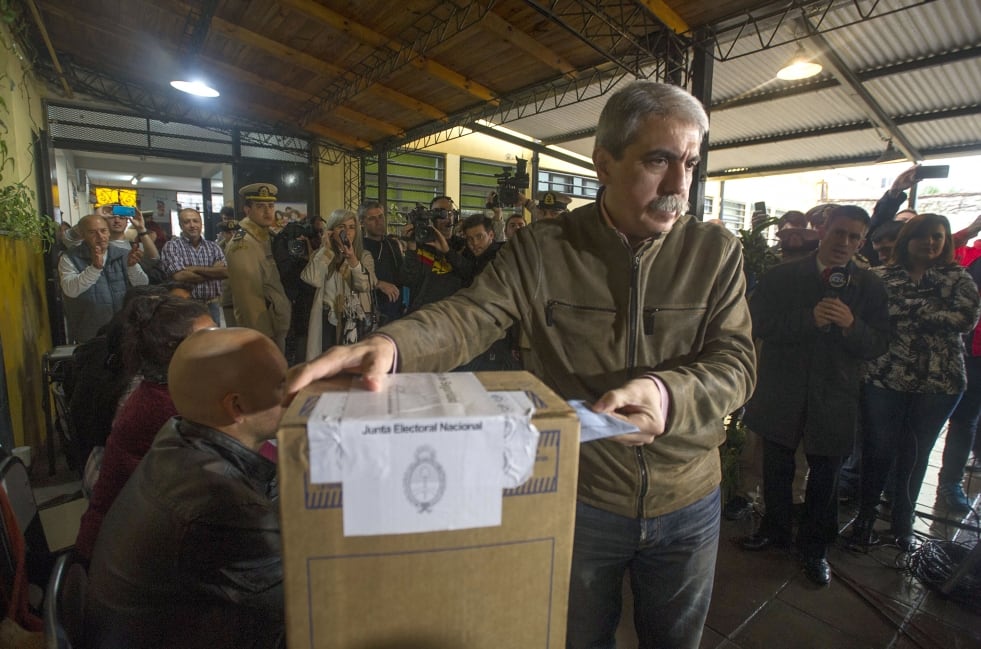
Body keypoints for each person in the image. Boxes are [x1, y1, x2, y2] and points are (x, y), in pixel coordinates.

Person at [286, 80, 756, 649]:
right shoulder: (543, 249)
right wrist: (393, 346)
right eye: (658, 160)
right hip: (584, 497)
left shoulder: (714, 252)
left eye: (689, 162)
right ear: (602, 164)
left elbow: (736, 361)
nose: (680, 184)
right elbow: (472, 314)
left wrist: (668, 393)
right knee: (576, 637)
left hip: (689, 499)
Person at [84, 328, 287, 649]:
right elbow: (301, 603)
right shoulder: (222, 501)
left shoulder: (176, 434)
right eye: (281, 384)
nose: (293, 394)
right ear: (236, 406)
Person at [739, 206, 890, 585]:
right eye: (839, 232)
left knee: (826, 476)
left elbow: (878, 344)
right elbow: (757, 323)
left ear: (863, 241)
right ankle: (775, 530)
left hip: (835, 393)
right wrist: (809, 319)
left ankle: (815, 549)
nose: (845, 242)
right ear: (823, 230)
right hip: (783, 388)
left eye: (855, 237)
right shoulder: (783, 275)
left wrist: (851, 326)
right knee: (775, 466)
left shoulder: (870, 287)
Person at [849, 213, 980, 551]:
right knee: (877, 450)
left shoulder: (959, 277)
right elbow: (872, 316)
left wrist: (909, 310)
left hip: (939, 380)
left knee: (916, 453)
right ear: (908, 239)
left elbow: (965, 319)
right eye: (923, 236)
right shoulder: (878, 276)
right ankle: (864, 519)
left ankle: (902, 524)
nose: (931, 242)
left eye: (938, 236)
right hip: (884, 374)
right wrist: (932, 311)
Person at [74, 295, 214, 561]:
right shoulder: (166, 406)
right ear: (176, 351)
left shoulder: (163, 392)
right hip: (117, 559)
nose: (223, 347)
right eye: (210, 340)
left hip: (134, 543)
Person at [59, 214, 149, 343]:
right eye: (92, 232)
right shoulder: (70, 257)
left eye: (103, 231)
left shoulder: (123, 254)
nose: (100, 237)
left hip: (124, 332)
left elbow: (142, 285)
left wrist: (132, 267)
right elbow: (70, 290)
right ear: (82, 235)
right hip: (89, 335)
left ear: (108, 232)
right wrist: (95, 268)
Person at [301, 208, 378, 359]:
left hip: (352, 320)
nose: (347, 233)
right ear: (331, 230)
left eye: (351, 227)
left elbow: (365, 285)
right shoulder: (321, 254)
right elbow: (310, 278)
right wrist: (325, 250)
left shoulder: (364, 256)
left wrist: (352, 259)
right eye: (341, 227)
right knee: (325, 365)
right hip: (326, 320)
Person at [225, 182, 291, 351]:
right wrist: (261, 337)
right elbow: (248, 299)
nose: (268, 211)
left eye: (270, 205)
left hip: (274, 323)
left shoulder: (264, 236)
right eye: (260, 206)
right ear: (247, 210)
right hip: (261, 330)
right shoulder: (243, 244)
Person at [160, 207, 228, 324]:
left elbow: (225, 272)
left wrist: (195, 269)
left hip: (211, 305)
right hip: (185, 306)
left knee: (213, 341)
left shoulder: (213, 247)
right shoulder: (172, 246)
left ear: (201, 223)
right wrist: (213, 272)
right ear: (181, 225)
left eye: (195, 221)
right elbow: (179, 276)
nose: (192, 225)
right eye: (187, 222)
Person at [400, 196, 466, 312]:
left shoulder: (463, 246)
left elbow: (468, 272)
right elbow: (408, 280)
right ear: (431, 217)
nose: (447, 218)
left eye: (450, 213)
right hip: (423, 317)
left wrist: (448, 252)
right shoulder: (419, 245)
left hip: (454, 317)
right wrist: (411, 247)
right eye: (441, 214)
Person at [360, 201, 405, 325]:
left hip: (395, 308)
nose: (378, 222)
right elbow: (356, 276)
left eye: (380, 217)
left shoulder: (393, 244)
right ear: (362, 222)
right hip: (371, 309)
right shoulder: (359, 246)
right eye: (372, 218)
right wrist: (378, 283)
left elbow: (403, 274)